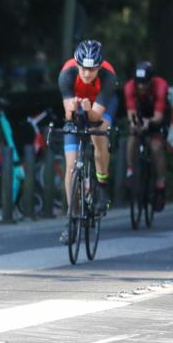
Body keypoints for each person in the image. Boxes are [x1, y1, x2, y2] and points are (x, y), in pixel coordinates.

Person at [57, 39, 118, 244]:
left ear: (99, 67)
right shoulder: (67, 74)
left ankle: (101, 184)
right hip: (78, 106)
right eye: (83, 68)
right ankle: (71, 218)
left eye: (92, 70)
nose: (86, 73)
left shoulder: (108, 76)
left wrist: (88, 109)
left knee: (98, 132)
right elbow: (68, 116)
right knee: (71, 165)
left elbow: (96, 118)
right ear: (77, 64)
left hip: (101, 106)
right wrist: (74, 109)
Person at [123, 61, 170, 211]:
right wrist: (135, 123)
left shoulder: (160, 86)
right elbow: (131, 113)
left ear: (151, 80)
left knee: (156, 147)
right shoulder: (129, 87)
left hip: (157, 115)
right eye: (139, 83)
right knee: (132, 136)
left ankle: (160, 185)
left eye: (145, 83)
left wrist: (149, 123)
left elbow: (159, 116)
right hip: (140, 113)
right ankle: (130, 171)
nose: (141, 86)